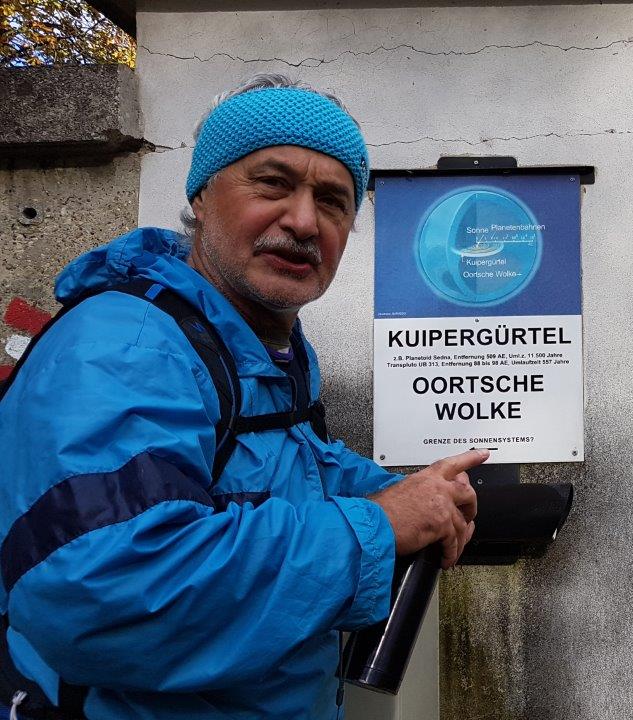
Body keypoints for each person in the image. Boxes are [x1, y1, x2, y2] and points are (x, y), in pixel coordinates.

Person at [0, 74, 483, 719]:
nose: (305, 221)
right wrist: (380, 526)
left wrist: (412, 490)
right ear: (201, 195)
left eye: (335, 201)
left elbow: (279, 466)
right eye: (273, 184)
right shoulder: (127, 346)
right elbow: (106, 594)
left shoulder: (249, 346)